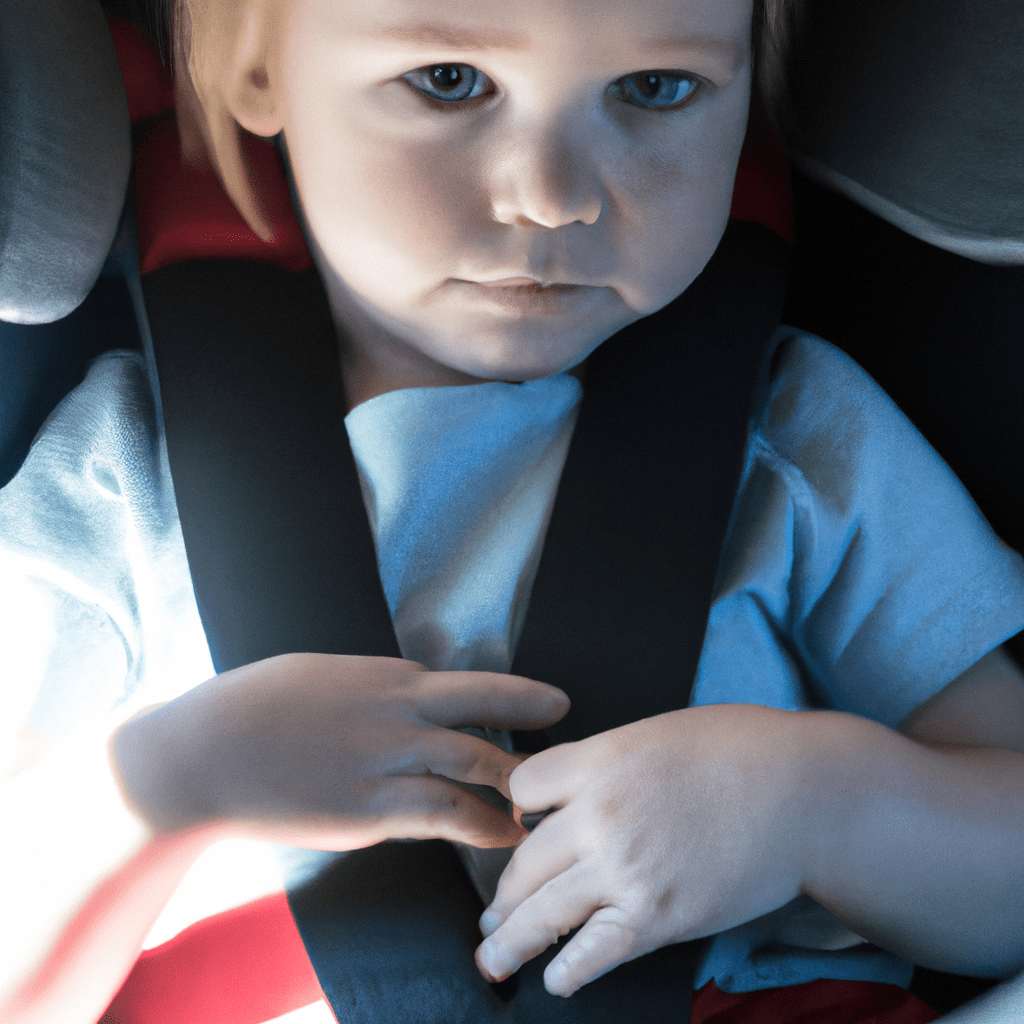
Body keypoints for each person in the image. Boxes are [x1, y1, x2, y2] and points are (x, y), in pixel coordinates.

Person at [2, 0, 1024, 1022]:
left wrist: (810, 806)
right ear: (252, 64)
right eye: (449, 81)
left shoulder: (800, 442)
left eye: (654, 88)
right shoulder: (118, 487)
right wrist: (163, 791)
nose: (551, 196)